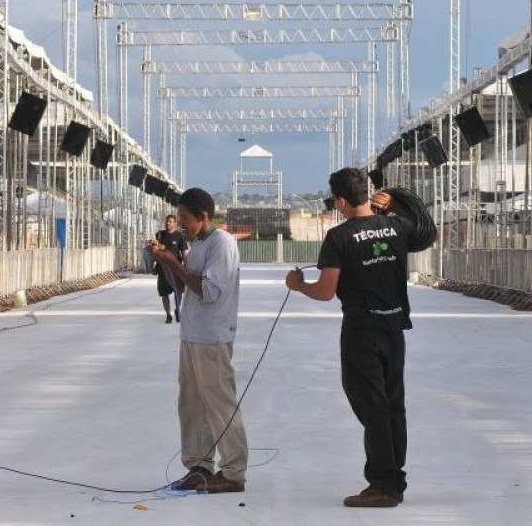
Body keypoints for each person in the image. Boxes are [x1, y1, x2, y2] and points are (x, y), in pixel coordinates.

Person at [284, 168, 436, 509]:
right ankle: (394, 478)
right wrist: (399, 199)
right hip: (394, 330)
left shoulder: (339, 238)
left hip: (361, 333)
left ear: (340, 200)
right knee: (393, 405)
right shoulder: (397, 226)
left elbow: (325, 292)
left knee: (372, 408)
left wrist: (298, 286)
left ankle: (383, 483)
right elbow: (427, 230)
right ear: (368, 193)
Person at [150, 188, 247, 494]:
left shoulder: (222, 243)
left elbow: (208, 291)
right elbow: (186, 286)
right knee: (192, 404)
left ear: (203, 217)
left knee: (220, 404)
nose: (181, 225)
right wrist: (166, 261)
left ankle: (233, 472)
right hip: (192, 336)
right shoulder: (199, 245)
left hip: (211, 337)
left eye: (185, 219)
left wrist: (174, 262)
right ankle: (199, 465)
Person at [153, 214, 188, 324]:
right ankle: (168, 315)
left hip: (175, 270)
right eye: (166, 221)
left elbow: (184, 252)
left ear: (175, 224)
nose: (167, 223)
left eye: (170, 221)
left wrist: (186, 266)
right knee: (164, 293)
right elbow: (154, 248)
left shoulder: (180, 236)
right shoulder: (160, 234)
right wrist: (155, 246)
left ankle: (177, 309)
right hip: (162, 269)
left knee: (178, 292)